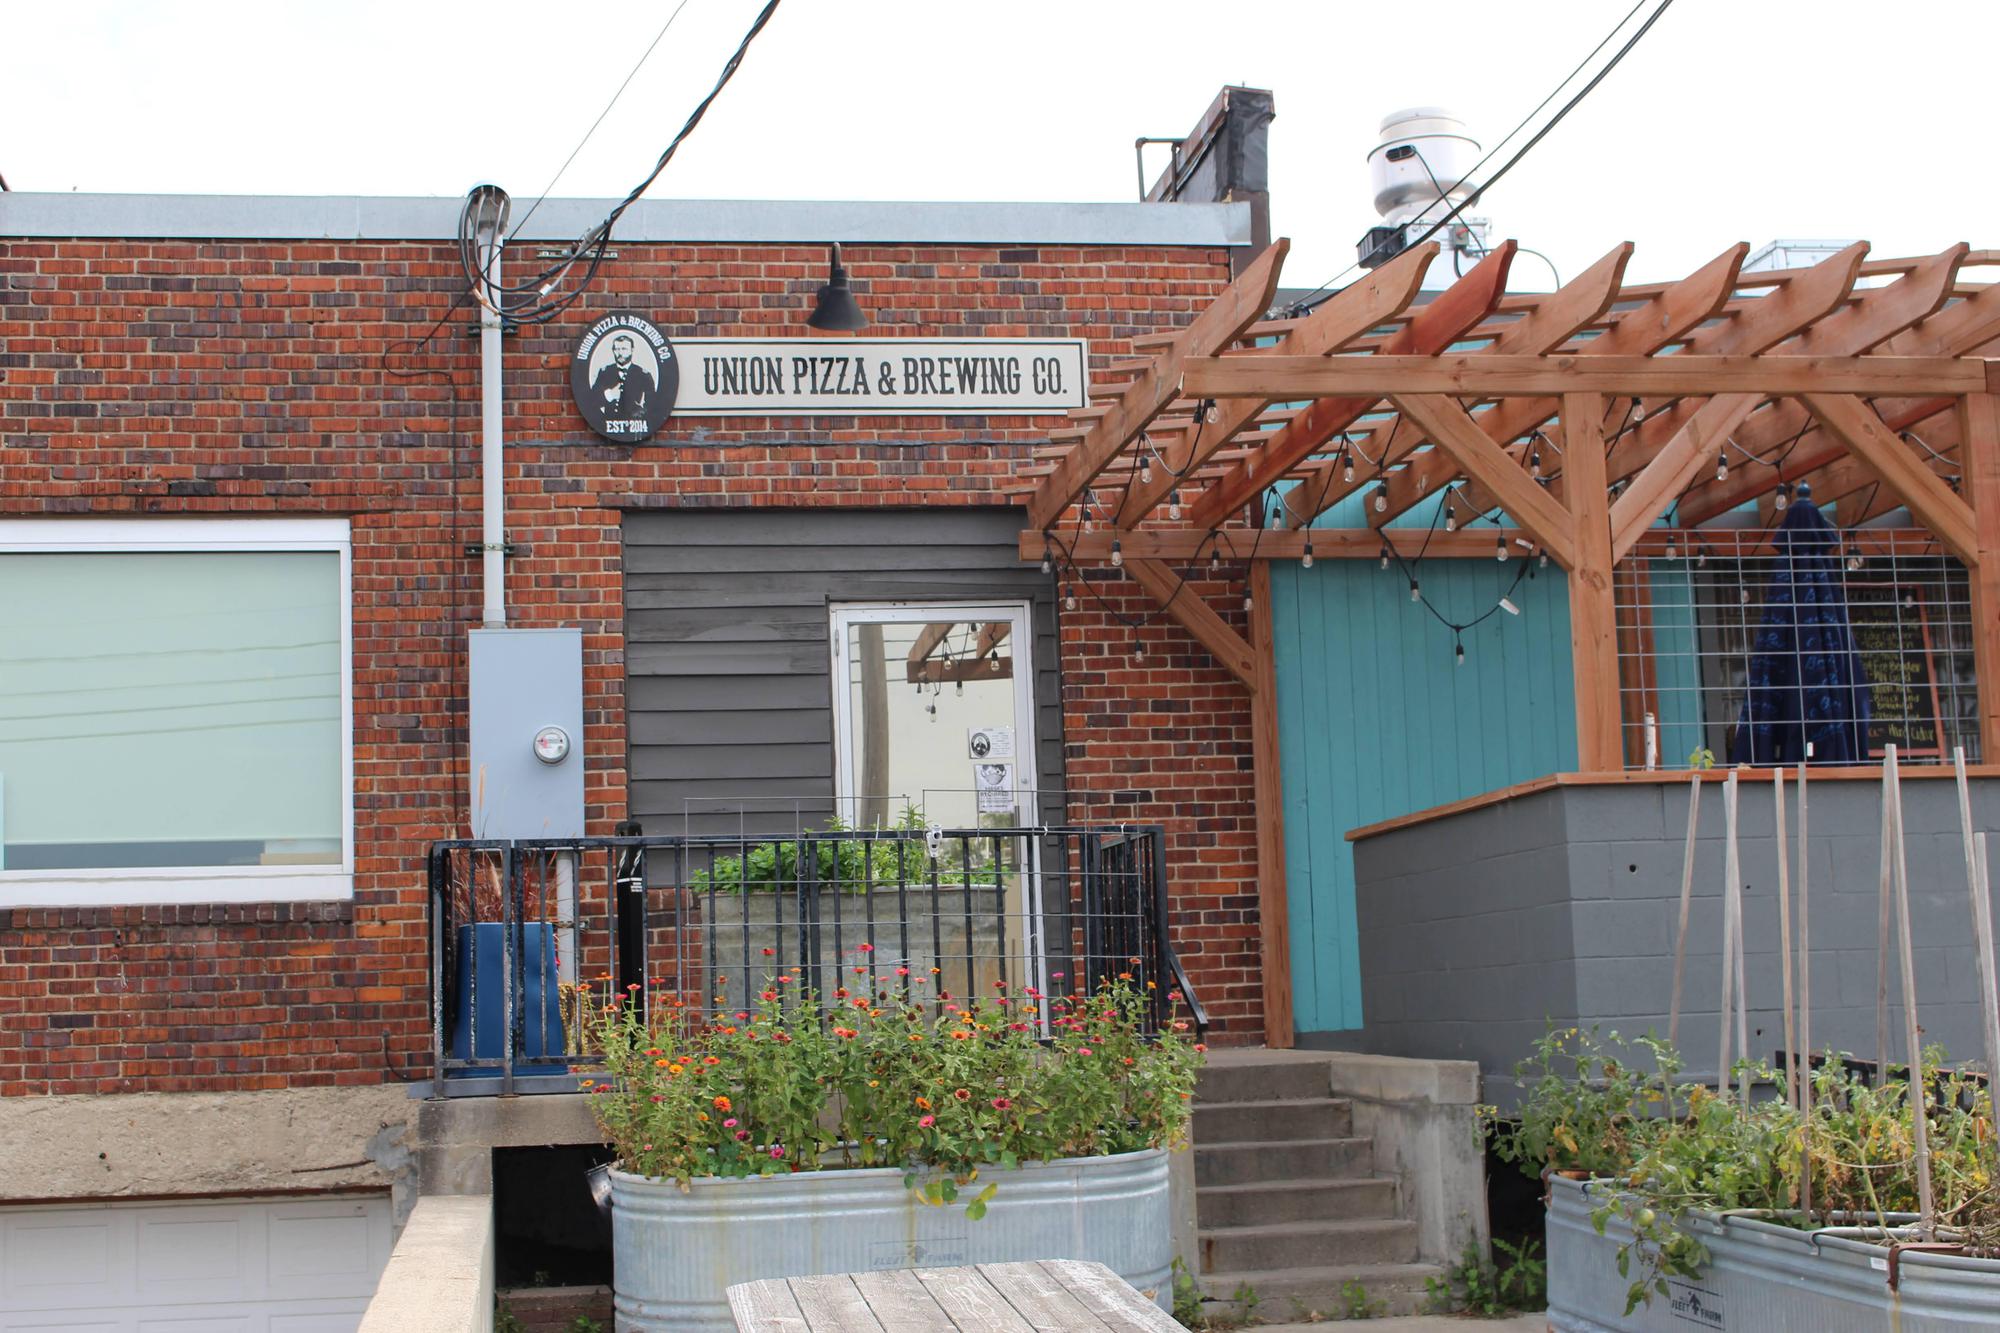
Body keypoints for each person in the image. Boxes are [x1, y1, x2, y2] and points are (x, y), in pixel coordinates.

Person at [592, 333, 654, 420]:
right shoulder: (605, 372)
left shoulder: (643, 374)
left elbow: (652, 405)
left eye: (624, 349)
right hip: (609, 423)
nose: (620, 353)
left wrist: (640, 413)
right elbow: (592, 401)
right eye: (617, 349)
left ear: (632, 350)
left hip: (634, 424)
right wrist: (610, 395)